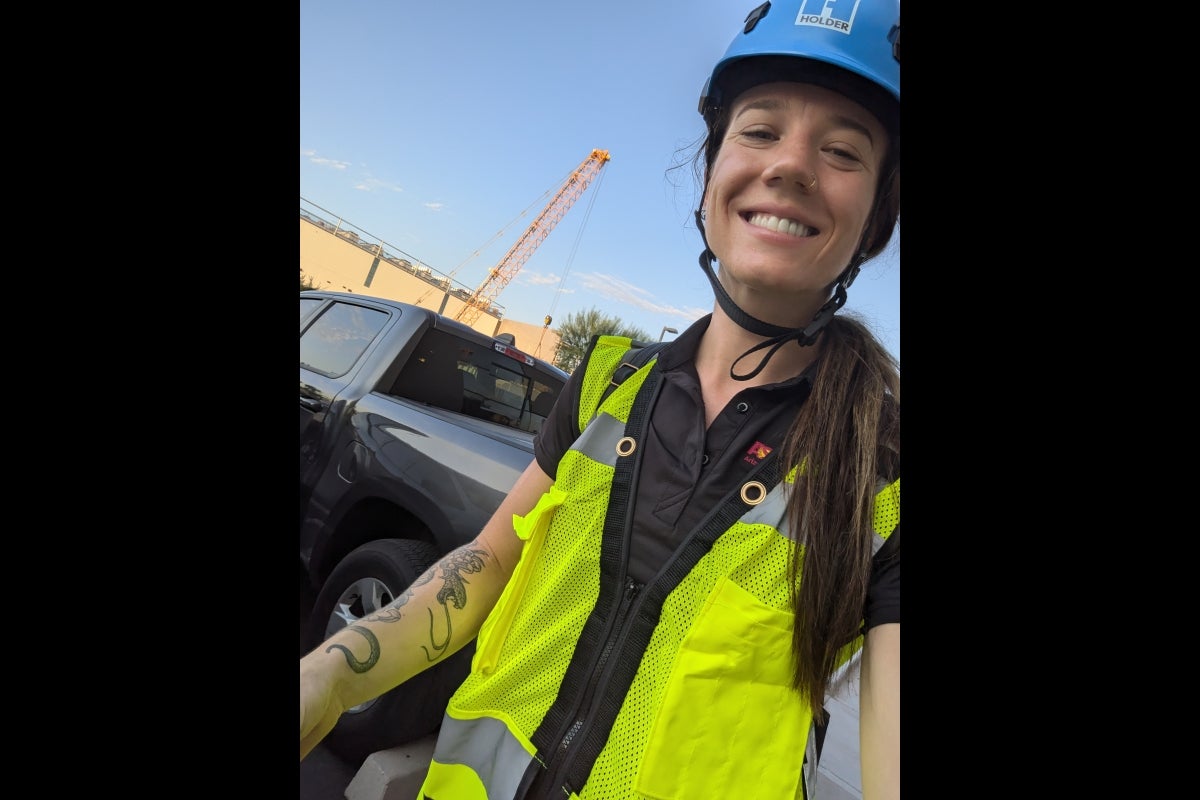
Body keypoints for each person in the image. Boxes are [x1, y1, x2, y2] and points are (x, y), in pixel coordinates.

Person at [300, 0, 900, 797]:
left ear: (876, 221)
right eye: (759, 131)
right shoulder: (613, 381)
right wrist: (333, 673)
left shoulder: (884, 468)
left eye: (841, 150)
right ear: (713, 168)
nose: (790, 165)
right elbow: (487, 566)